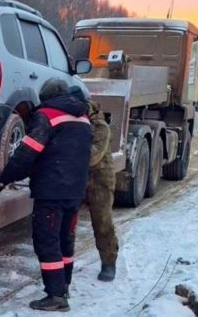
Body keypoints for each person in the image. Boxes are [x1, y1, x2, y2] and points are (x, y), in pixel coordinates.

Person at [0, 79, 92, 312]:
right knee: (65, 239)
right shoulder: (83, 118)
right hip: (75, 191)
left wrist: (1, 181)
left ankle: (56, 296)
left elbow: (26, 154)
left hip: (52, 191)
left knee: (47, 241)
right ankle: (64, 286)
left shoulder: (46, 116)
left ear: (46, 98)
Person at [70, 85, 119, 282]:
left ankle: (109, 263)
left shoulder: (99, 126)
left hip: (99, 180)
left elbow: (92, 156)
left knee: (102, 222)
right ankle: (66, 263)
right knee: (68, 222)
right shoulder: (71, 120)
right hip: (76, 178)